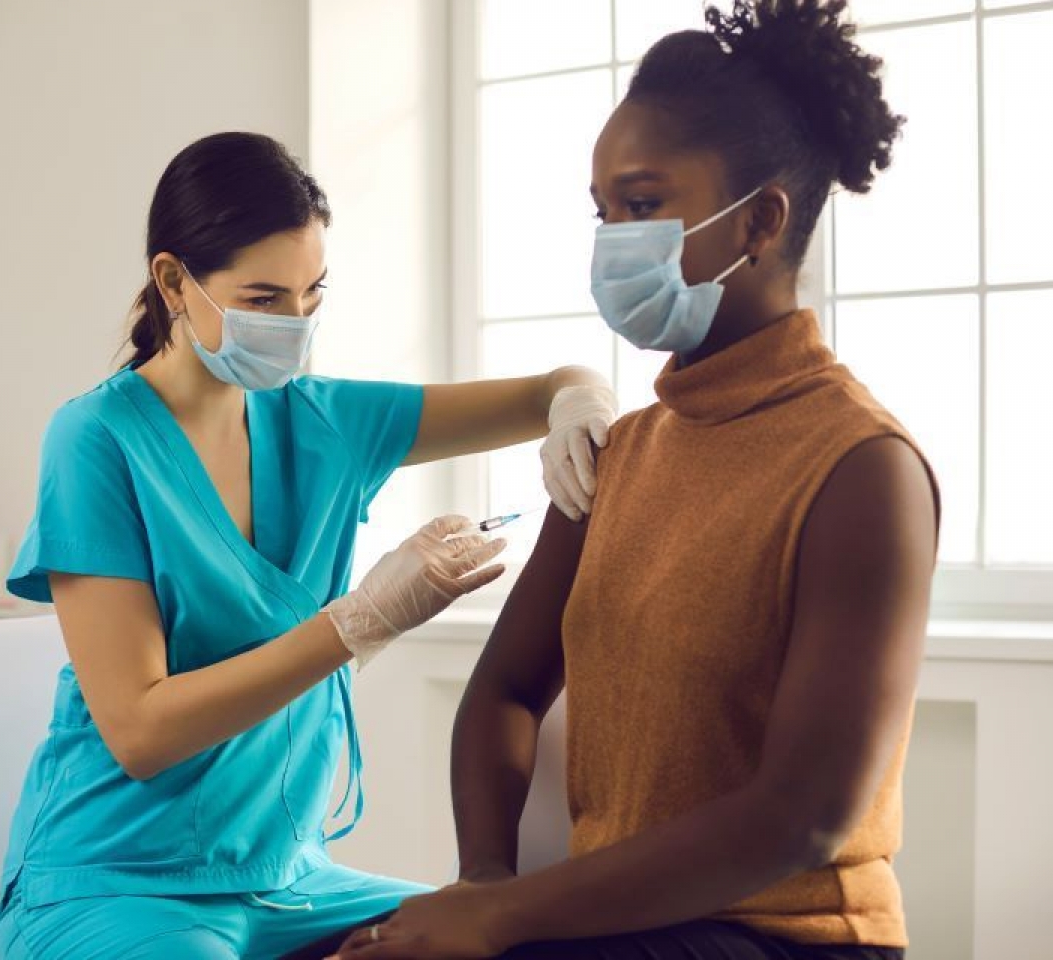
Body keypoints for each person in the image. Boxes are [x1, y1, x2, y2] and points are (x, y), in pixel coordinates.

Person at [327, 1, 939, 958]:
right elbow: (503, 694)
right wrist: (484, 878)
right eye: (603, 210)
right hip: (605, 922)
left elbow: (806, 815)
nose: (614, 238)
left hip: (789, 937)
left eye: (644, 205)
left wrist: (502, 919)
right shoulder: (621, 455)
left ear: (762, 221)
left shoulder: (861, 470)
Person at [0, 131, 620, 960]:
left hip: (291, 880)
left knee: (507, 943)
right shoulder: (97, 440)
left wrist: (580, 404)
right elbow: (141, 731)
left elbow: (552, 388)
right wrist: (361, 621)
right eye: (262, 299)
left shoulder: (326, 420)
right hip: (118, 880)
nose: (295, 326)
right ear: (173, 281)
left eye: (311, 294)